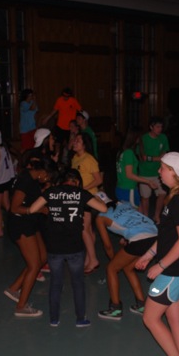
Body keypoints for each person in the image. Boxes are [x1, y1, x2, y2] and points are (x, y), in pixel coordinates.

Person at [134, 152, 179, 356]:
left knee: (150, 318)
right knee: (175, 319)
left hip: (173, 273)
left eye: (162, 168)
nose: (159, 172)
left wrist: (160, 265)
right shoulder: (177, 198)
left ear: (173, 172)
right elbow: (168, 236)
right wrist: (148, 255)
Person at [28, 169, 107, 327]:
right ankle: (80, 319)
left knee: (56, 283)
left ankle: (54, 319)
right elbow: (103, 209)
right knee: (77, 283)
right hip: (74, 247)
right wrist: (98, 198)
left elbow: (32, 209)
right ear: (77, 181)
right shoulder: (80, 193)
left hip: (54, 247)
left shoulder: (51, 192)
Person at [95, 192, 158, 321]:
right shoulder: (124, 204)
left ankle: (115, 309)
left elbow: (107, 245)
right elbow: (133, 219)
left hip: (139, 239)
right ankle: (141, 305)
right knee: (128, 268)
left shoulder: (100, 217)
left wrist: (113, 261)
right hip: (155, 237)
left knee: (111, 269)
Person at [3, 158, 50, 318]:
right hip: (20, 224)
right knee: (34, 265)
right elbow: (14, 208)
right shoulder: (25, 181)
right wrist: (37, 210)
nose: (47, 179)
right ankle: (21, 306)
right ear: (42, 171)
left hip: (31, 223)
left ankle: (14, 289)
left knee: (42, 257)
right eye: (47, 176)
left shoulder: (31, 177)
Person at [71, 132, 102, 273]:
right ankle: (89, 259)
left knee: (84, 229)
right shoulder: (75, 158)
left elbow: (99, 180)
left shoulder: (89, 159)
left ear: (84, 145)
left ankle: (93, 260)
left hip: (89, 198)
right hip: (80, 197)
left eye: (78, 141)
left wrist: (83, 189)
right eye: (75, 140)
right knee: (88, 230)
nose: (74, 142)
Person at [115, 126, 158, 208]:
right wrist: (148, 182)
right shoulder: (128, 153)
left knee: (134, 210)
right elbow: (129, 175)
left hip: (122, 187)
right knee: (133, 212)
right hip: (128, 188)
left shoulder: (121, 151)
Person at [137, 117, 169, 223]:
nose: (160, 129)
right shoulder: (144, 138)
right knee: (145, 196)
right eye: (157, 127)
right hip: (145, 172)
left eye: (161, 127)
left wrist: (158, 157)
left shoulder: (163, 138)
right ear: (151, 127)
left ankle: (156, 215)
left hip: (159, 172)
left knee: (162, 194)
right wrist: (157, 158)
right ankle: (146, 217)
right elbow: (143, 156)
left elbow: (165, 151)